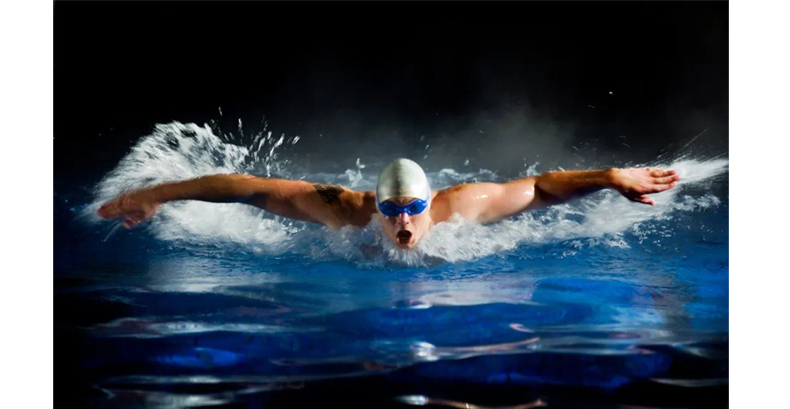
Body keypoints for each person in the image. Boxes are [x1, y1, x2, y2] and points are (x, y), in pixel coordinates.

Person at [98, 158, 680, 250]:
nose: (403, 222)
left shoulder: (460, 208)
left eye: (413, 209)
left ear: (431, 202)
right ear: (373, 206)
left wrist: (609, 176)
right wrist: (156, 194)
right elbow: (245, 186)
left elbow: (543, 186)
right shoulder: (343, 210)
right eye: (391, 210)